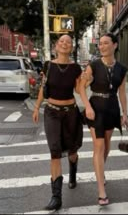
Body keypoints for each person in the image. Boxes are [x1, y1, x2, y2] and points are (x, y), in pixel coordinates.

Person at [32, 34, 82, 211]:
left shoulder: (76, 68)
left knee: (72, 151)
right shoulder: (48, 65)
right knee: (55, 151)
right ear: (56, 46)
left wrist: (88, 80)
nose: (64, 44)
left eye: (68, 42)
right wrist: (37, 107)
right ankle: (56, 197)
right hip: (52, 112)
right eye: (61, 41)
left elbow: (79, 89)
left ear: (72, 47)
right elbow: (43, 88)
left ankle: (73, 169)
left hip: (71, 113)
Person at [79, 33, 128, 206]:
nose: (102, 46)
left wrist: (125, 113)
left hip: (112, 108)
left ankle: (100, 171)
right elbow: (81, 88)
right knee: (99, 146)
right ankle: (101, 191)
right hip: (96, 109)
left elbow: (122, 92)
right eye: (100, 44)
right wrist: (88, 107)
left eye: (106, 43)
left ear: (115, 45)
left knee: (106, 145)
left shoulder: (121, 69)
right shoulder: (93, 66)